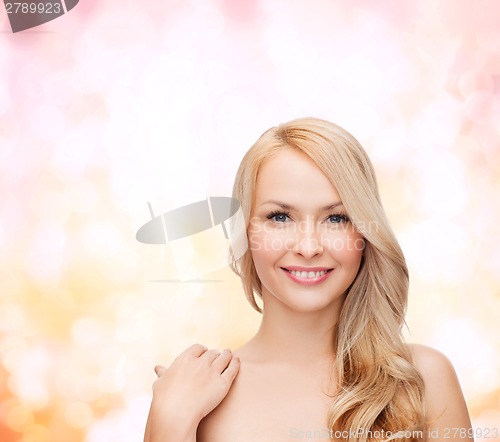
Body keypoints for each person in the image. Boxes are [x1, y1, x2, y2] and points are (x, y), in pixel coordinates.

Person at [144, 117, 473, 442]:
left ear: (364, 232)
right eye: (280, 217)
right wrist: (169, 423)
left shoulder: (424, 380)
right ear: (244, 232)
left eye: (336, 218)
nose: (308, 247)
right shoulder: (194, 397)